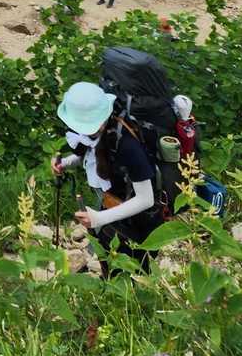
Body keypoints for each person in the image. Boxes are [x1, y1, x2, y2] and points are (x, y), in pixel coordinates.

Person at [50, 81, 162, 277]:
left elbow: (146, 199)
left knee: (134, 271)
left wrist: (99, 218)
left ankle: (130, 293)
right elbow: (92, 152)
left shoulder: (128, 145)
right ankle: (109, 282)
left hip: (139, 219)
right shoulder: (101, 131)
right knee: (108, 255)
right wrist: (65, 163)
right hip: (113, 203)